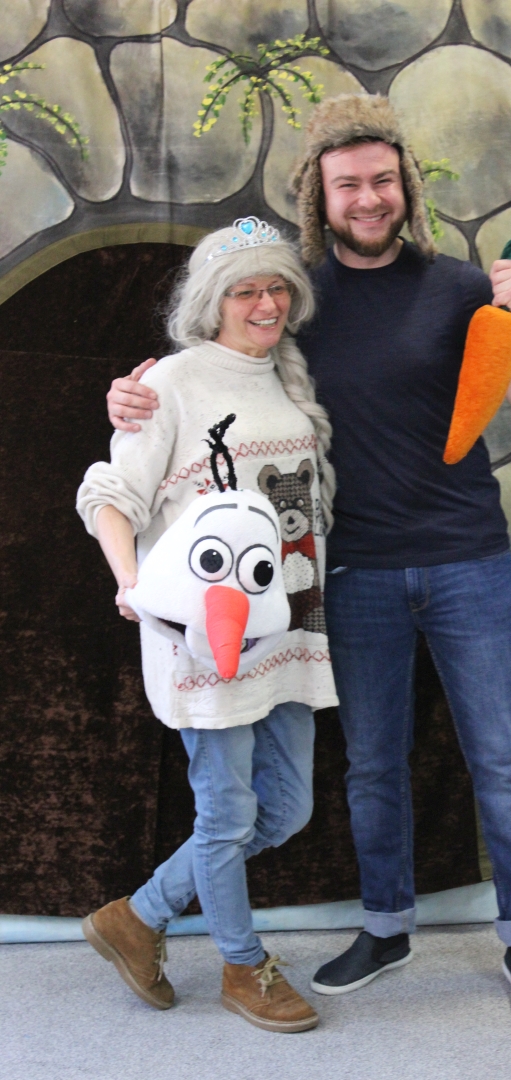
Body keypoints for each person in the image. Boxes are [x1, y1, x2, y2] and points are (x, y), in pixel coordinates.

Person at [105, 95, 511, 1024]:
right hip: (349, 574)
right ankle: (386, 928)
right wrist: (134, 395)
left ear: (406, 187)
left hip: (467, 561)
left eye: (382, 180)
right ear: (321, 196)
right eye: (348, 183)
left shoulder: (461, 289)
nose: (368, 197)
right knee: (372, 769)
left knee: (500, 763)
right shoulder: (296, 302)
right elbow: (219, 368)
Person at [77, 219, 338, 1033]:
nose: (266, 303)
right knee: (225, 815)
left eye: (277, 286)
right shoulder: (172, 383)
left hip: (289, 630)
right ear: (211, 302)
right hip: (207, 640)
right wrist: (130, 582)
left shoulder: (287, 378)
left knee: (285, 811)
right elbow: (107, 492)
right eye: (245, 290)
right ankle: (241, 965)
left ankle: (138, 916)